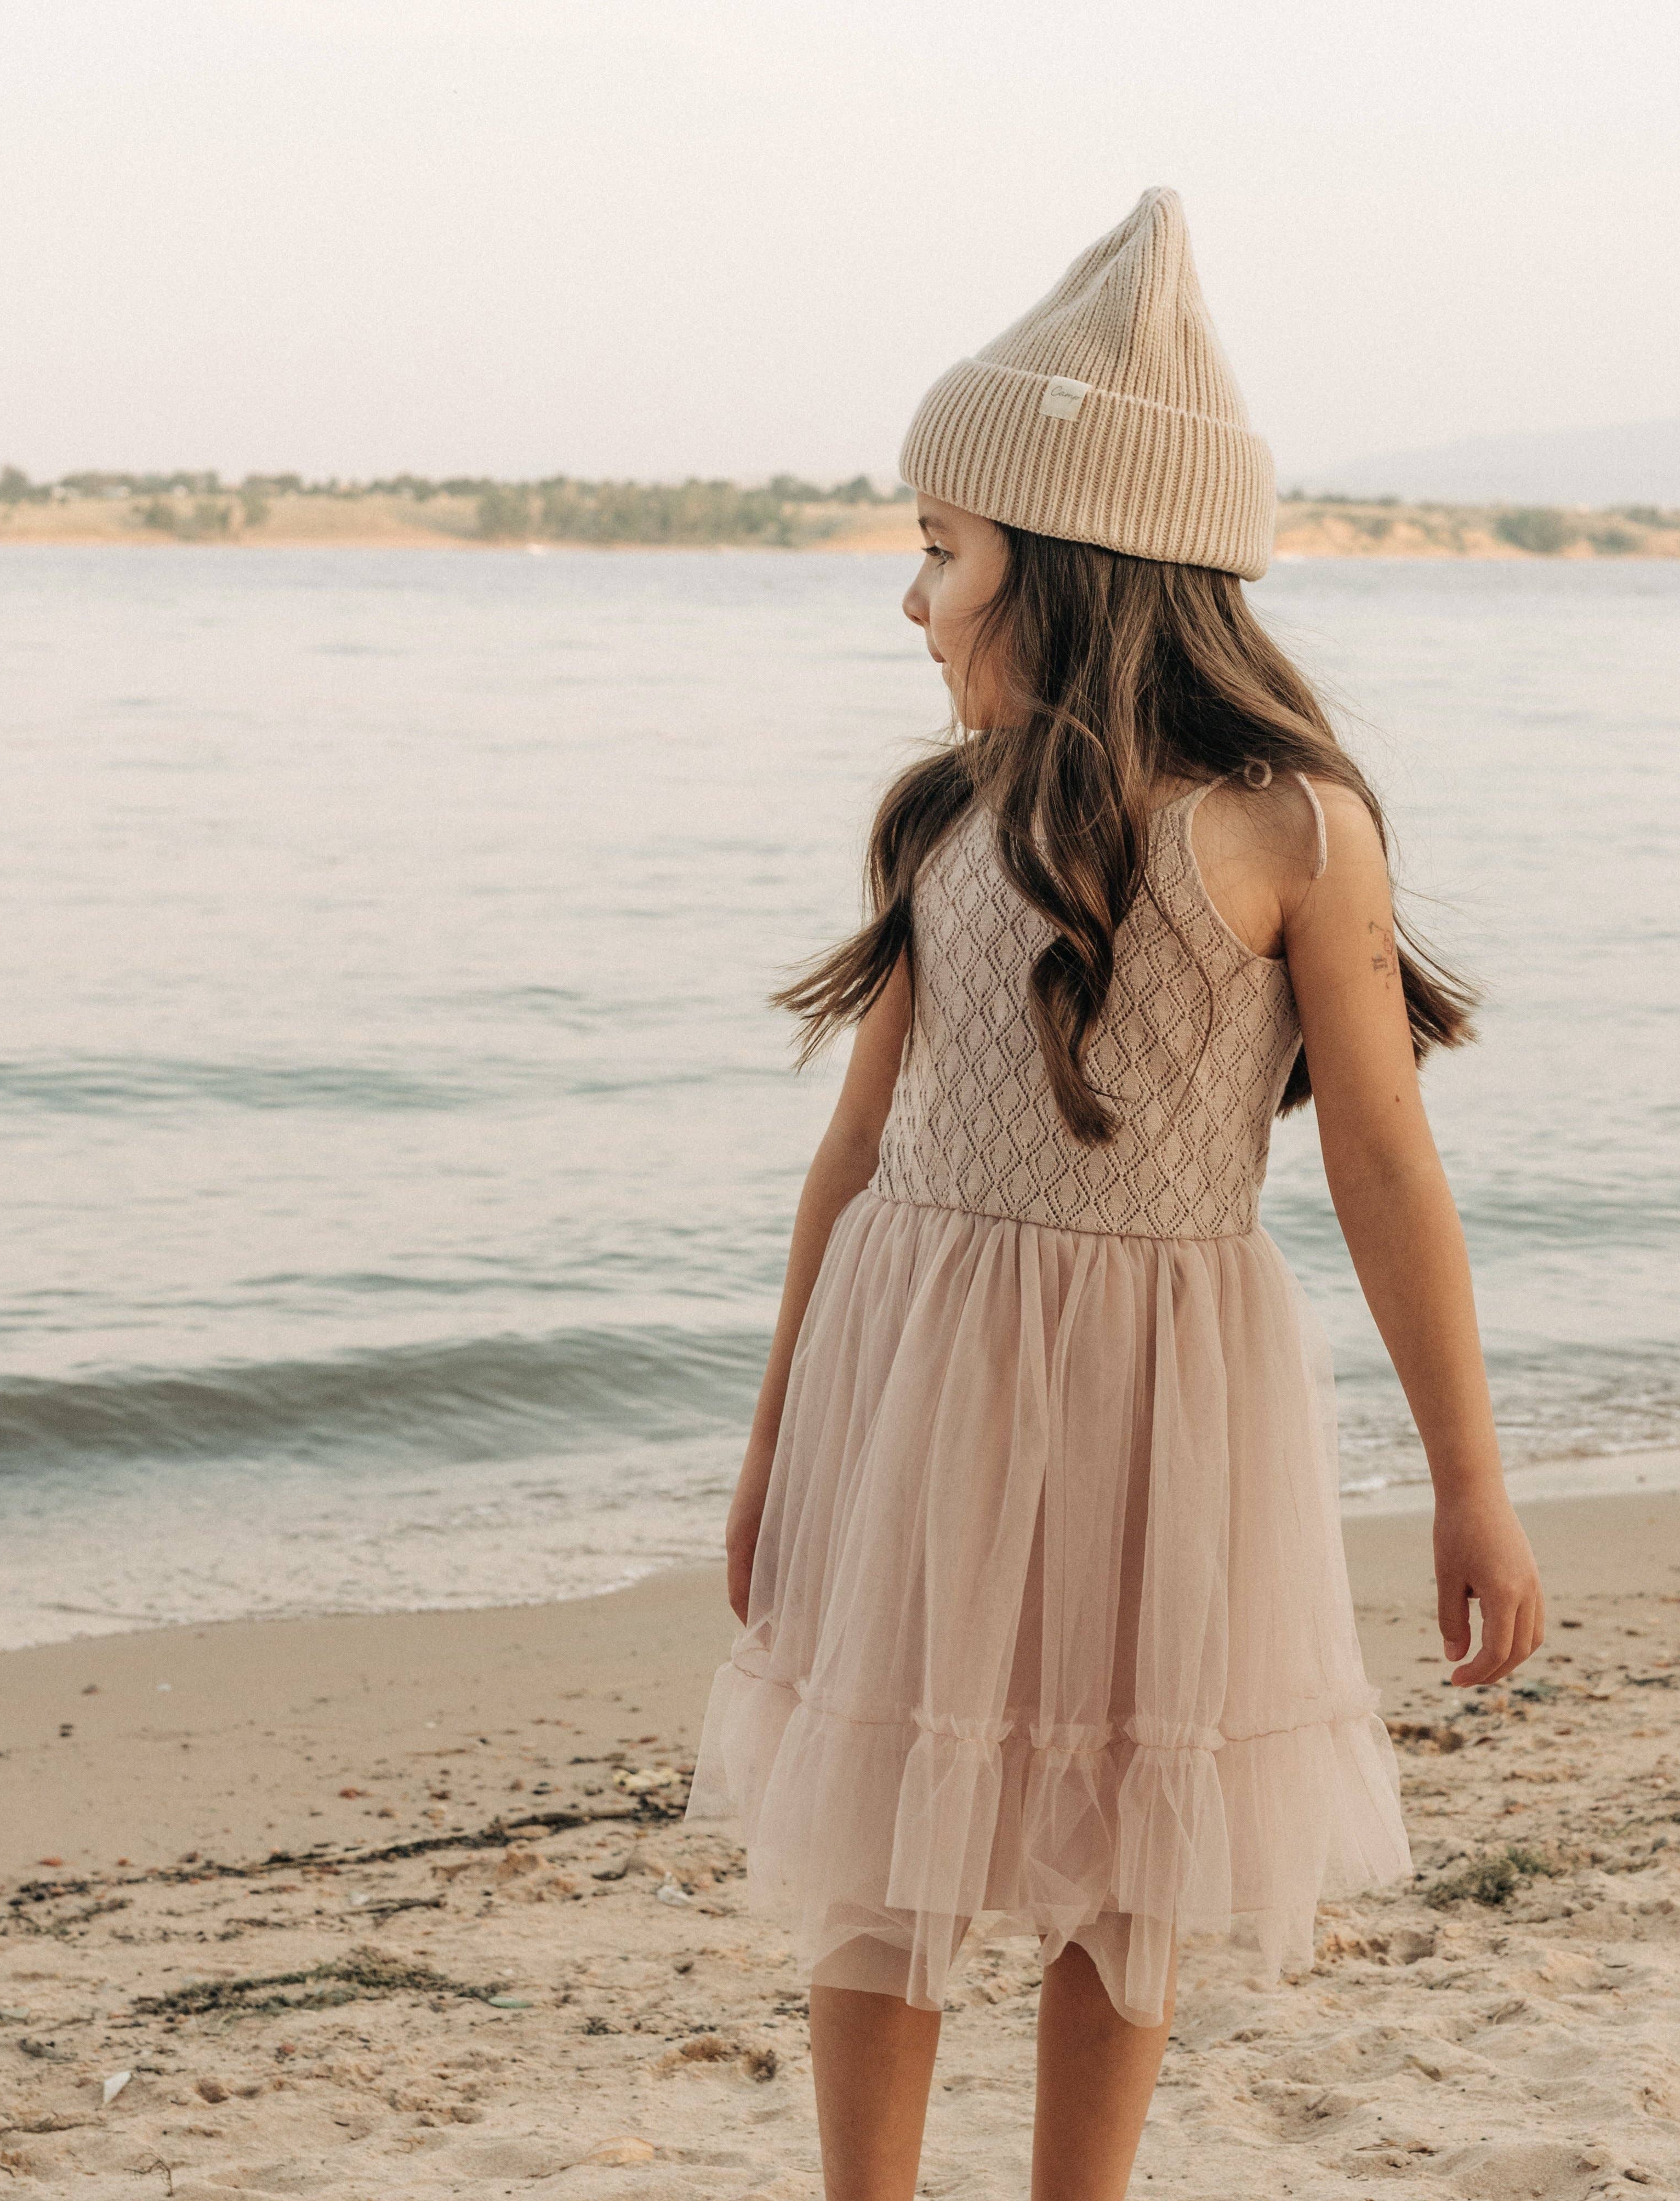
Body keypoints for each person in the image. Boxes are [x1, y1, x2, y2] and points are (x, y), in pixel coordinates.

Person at [685, 185, 1545, 2201]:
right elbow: (856, 1152)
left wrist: (1471, 1481)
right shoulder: (944, 818)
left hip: (1170, 1400)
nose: (914, 599)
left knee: (1133, 1837)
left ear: (1073, 560)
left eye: (943, 547)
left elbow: (1382, 1162)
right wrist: (776, 1433)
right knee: (886, 1826)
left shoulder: (1295, 829)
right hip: (921, 1380)